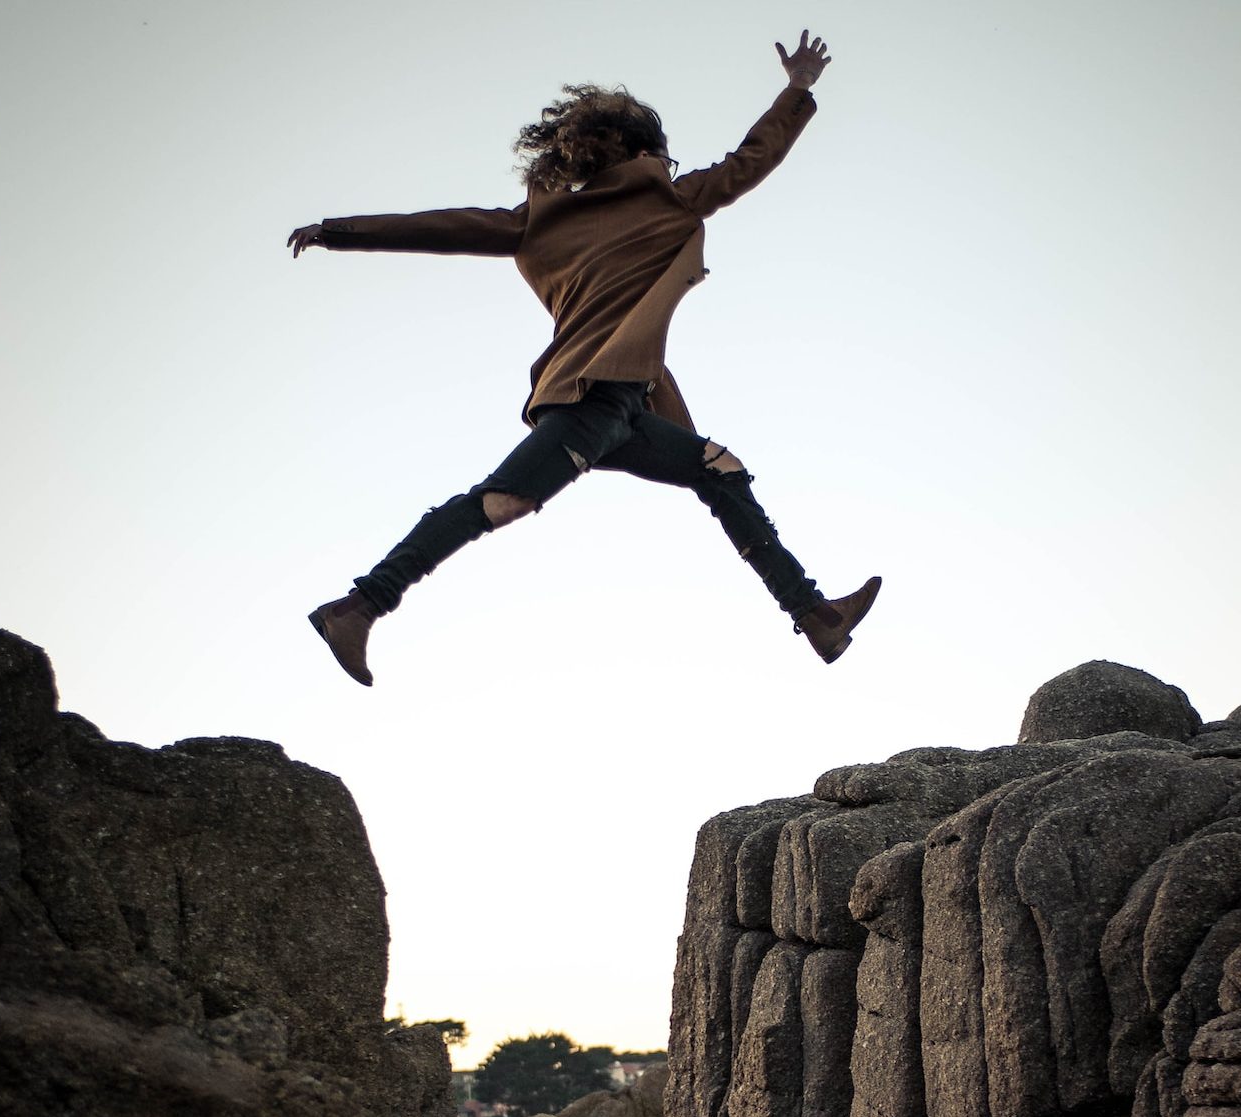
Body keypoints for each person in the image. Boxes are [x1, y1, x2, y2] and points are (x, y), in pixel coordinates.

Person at [288, 29, 879, 686]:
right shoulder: (668, 198)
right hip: (589, 399)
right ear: (644, 152)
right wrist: (796, 89)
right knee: (501, 500)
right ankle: (360, 606)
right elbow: (751, 159)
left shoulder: (543, 220)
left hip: (626, 404)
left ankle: (815, 615)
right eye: (664, 152)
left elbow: (442, 224)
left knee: (719, 469)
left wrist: (338, 231)